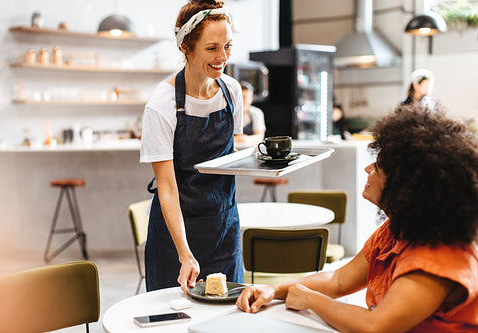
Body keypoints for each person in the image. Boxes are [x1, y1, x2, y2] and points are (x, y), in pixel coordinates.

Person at [237, 105, 478, 332]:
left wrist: (311, 299)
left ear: (406, 186)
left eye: (378, 166)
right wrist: (274, 289)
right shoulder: (397, 229)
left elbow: (376, 327)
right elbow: (339, 280)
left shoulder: (439, 258)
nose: (367, 169)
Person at [140, 0, 244, 293]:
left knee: (229, 316)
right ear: (186, 46)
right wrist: (184, 253)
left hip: (224, 226)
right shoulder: (162, 106)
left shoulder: (232, 91)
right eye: (212, 48)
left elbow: (229, 157)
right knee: (174, 318)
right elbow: (168, 188)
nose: (222, 57)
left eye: (228, 46)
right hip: (176, 235)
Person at [234, 81, 266, 148]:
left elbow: (260, 136)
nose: (246, 100)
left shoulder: (256, 113)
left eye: (249, 97)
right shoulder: (230, 114)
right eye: (243, 97)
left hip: (250, 149)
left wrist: (244, 139)